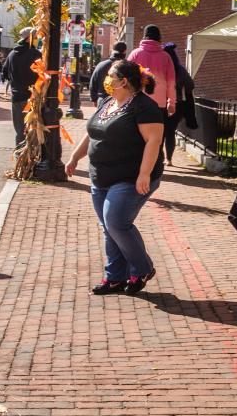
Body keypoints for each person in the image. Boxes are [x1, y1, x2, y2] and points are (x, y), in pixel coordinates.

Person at [65, 60, 165, 294]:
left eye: (111, 75)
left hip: (130, 177)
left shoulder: (144, 107)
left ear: (124, 81)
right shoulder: (108, 103)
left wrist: (144, 174)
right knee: (107, 227)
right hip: (100, 176)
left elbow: (154, 141)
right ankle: (115, 278)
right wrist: (75, 157)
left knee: (116, 222)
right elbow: (92, 134)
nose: (107, 79)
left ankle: (142, 269)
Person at [127, 24, 177, 125]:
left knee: (137, 137)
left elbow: (127, 78)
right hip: (159, 104)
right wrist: (171, 103)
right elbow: (171, 82)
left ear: (144, 36)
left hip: (138, 102)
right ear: (159, 37)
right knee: (158, 136)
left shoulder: (135, 54)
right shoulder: (166, 57)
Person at [2, 31, 42, 148]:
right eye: (35, 37)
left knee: (20, 129)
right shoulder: (35, 54)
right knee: (33, 128)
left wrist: (15, 81)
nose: (36, 39)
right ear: (29, 39)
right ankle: (32, 155)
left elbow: (5, 73)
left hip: (17, 97)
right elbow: (42, 75)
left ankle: (20, 156)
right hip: (32, 97)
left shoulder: (12, 54)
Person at [163, 42, 198, 164]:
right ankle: (169, 159)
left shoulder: (161, 67)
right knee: (170, 131)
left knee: (159, 132)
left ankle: (158, 158)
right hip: (177, 104)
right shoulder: (180, 69)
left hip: (161, 103)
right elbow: (190, 85)